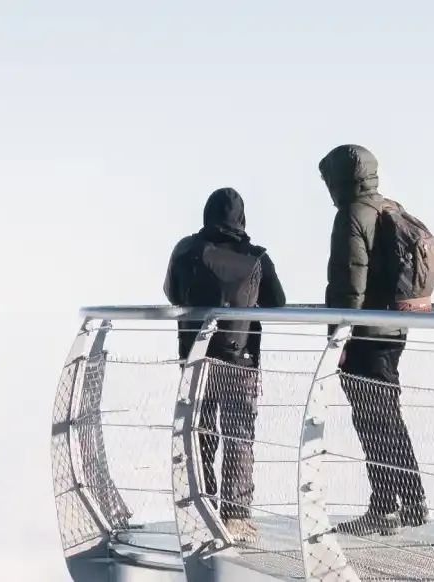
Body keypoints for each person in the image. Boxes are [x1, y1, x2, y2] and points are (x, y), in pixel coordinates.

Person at [320, 144, 434, 536]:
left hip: (365, 335)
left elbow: (348, 283)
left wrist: (339, 337)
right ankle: (413, 500)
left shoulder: (352, 214)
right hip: (394, 329)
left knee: (373, 420)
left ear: (340, 178)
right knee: (388, 417)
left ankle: (385, 507)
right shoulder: (390, 207)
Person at [164, 187, 286, 544]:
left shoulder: (186, 249)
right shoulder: (256, 257)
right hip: (239, 359)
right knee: (238, 436)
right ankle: (236, 516)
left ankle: (203, 509)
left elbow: (172, 292)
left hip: (195, 359)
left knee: (198, 435)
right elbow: (276, 301)